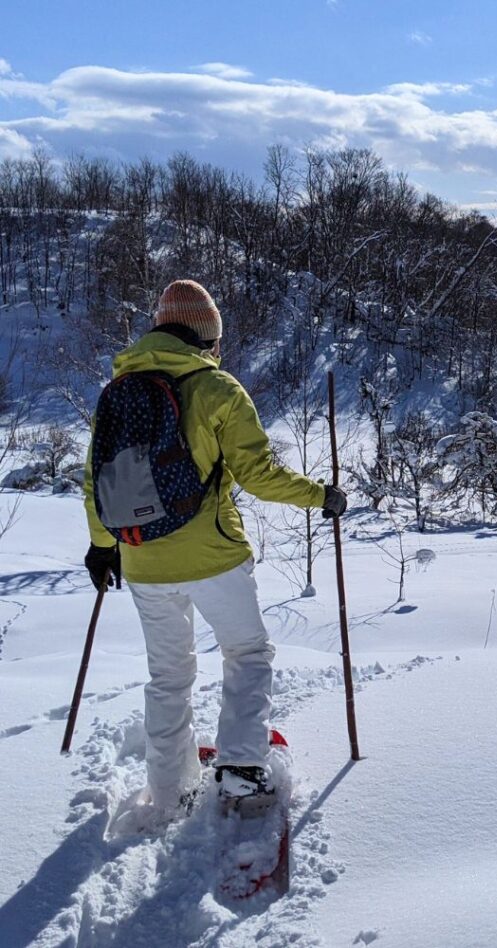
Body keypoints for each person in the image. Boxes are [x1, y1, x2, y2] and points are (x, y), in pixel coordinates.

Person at [83, 279, 347, 814]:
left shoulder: (119, 389)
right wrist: (321, 495)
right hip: (214, 557)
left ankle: (168, 789)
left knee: (168, 675)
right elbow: (259, 476)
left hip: (142, 558)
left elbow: (95, 481)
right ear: (207, 335)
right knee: (247, 653)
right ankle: (243, 769)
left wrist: (102, 546)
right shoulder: (218, 389)